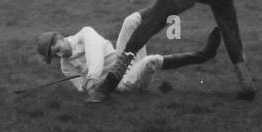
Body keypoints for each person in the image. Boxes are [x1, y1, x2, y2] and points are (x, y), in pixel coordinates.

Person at [34, 12, 221, 101]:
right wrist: (87, 85)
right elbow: (83, 90)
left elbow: (95, 53)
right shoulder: (66, 66)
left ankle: (169, 6)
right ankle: (203, 55)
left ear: (59, 37)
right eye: (55, 55)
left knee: (130, 21)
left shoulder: (86, 33)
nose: (60, 54)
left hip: (124, 62)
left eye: (56, 47)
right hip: (122, 84)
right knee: (150, 60)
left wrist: (91, 78)